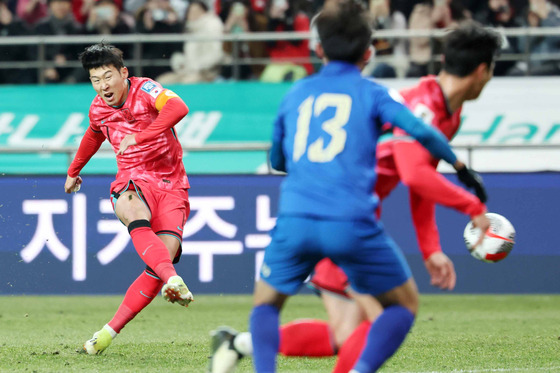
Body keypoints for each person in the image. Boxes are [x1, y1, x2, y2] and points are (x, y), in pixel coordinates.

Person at [210, 3, 491, 372]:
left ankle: (241, 347)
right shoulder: (377, 94)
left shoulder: (294, 93)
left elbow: (277, 160)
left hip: (295, 220)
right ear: (369, 52)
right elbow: (422, 136)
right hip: (351, 222)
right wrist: (462, 171)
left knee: (268, 305)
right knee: (399, 308)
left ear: (319, 49)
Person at [64, 43, 194, 355]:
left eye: (107, 76)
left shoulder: (148, 90)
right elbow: (94, 134)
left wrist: (141, 135)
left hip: (172, 183)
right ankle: (173, 278)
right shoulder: (97, 108)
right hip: (133, 178)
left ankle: (106, 335)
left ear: (124, 73)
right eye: (95, 80)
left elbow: (179, 108)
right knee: (132, 207)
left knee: (161, 257)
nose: (103, 86)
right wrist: (73, 170)